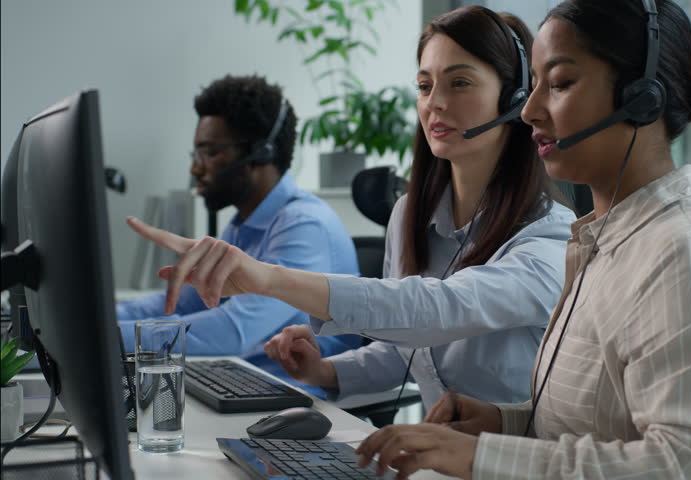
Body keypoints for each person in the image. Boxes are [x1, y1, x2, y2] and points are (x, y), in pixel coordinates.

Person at [353, 1, 691, 479]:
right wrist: (505, 423)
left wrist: (484, 459)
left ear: (642, 97)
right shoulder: (605, 241)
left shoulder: (687, 251)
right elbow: (606, 426)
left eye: (558, 84)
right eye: (534, 84)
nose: (530, 110)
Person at [125, 7, 577, 411]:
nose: (434, 102)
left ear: (516, 99)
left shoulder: (553, 240)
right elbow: (408, 350)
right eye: (424, 85)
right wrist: (324, 371)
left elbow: (439, 309)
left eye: (459, 82)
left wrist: (265, 278)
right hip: (431, 460)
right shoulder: (410, 215)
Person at [117, 75, 362, 393]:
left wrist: (101, 339)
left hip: (297, 398)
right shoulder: (242, 225)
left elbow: (234, 331)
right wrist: (93, 320)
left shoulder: (304, 225)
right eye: (196, 154)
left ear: (260, 153)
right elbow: (179, 303)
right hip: (239, 383)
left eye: (210, 152)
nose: (196, 169)